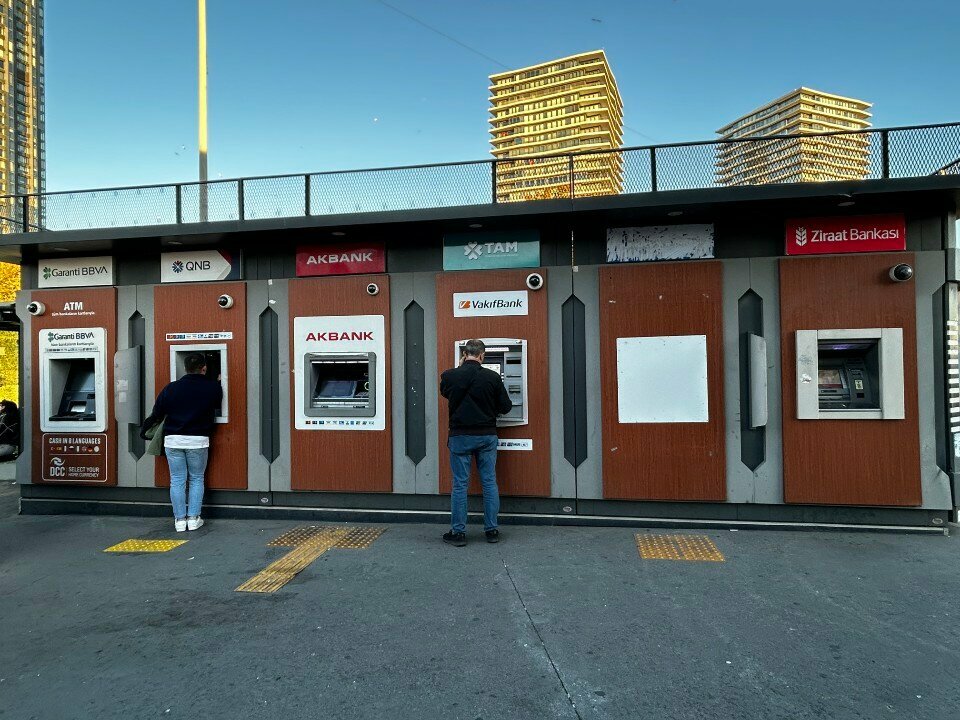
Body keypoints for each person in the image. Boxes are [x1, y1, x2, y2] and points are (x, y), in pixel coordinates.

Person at [439, 338, 512, 547]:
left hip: (460, 436)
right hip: (486, 436)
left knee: (460, 484)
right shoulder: (492, 377)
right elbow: (506, 407)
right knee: (489, 482)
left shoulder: (450, 376)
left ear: (464, 354)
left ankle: (458, 533)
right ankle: (491, 531)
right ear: (482, 355)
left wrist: (460, 369)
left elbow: (446, 393)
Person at [141, 353, 222, 533]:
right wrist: (218, 382)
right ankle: (193, 519)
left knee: (177, 480)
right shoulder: (212, 388)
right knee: (196, 478)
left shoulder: (171, 388)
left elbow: (157, 412)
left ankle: (179, 521)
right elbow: (217, 406)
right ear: (204, 368)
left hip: (173, 440)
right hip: (197, 441)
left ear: (185, 368)